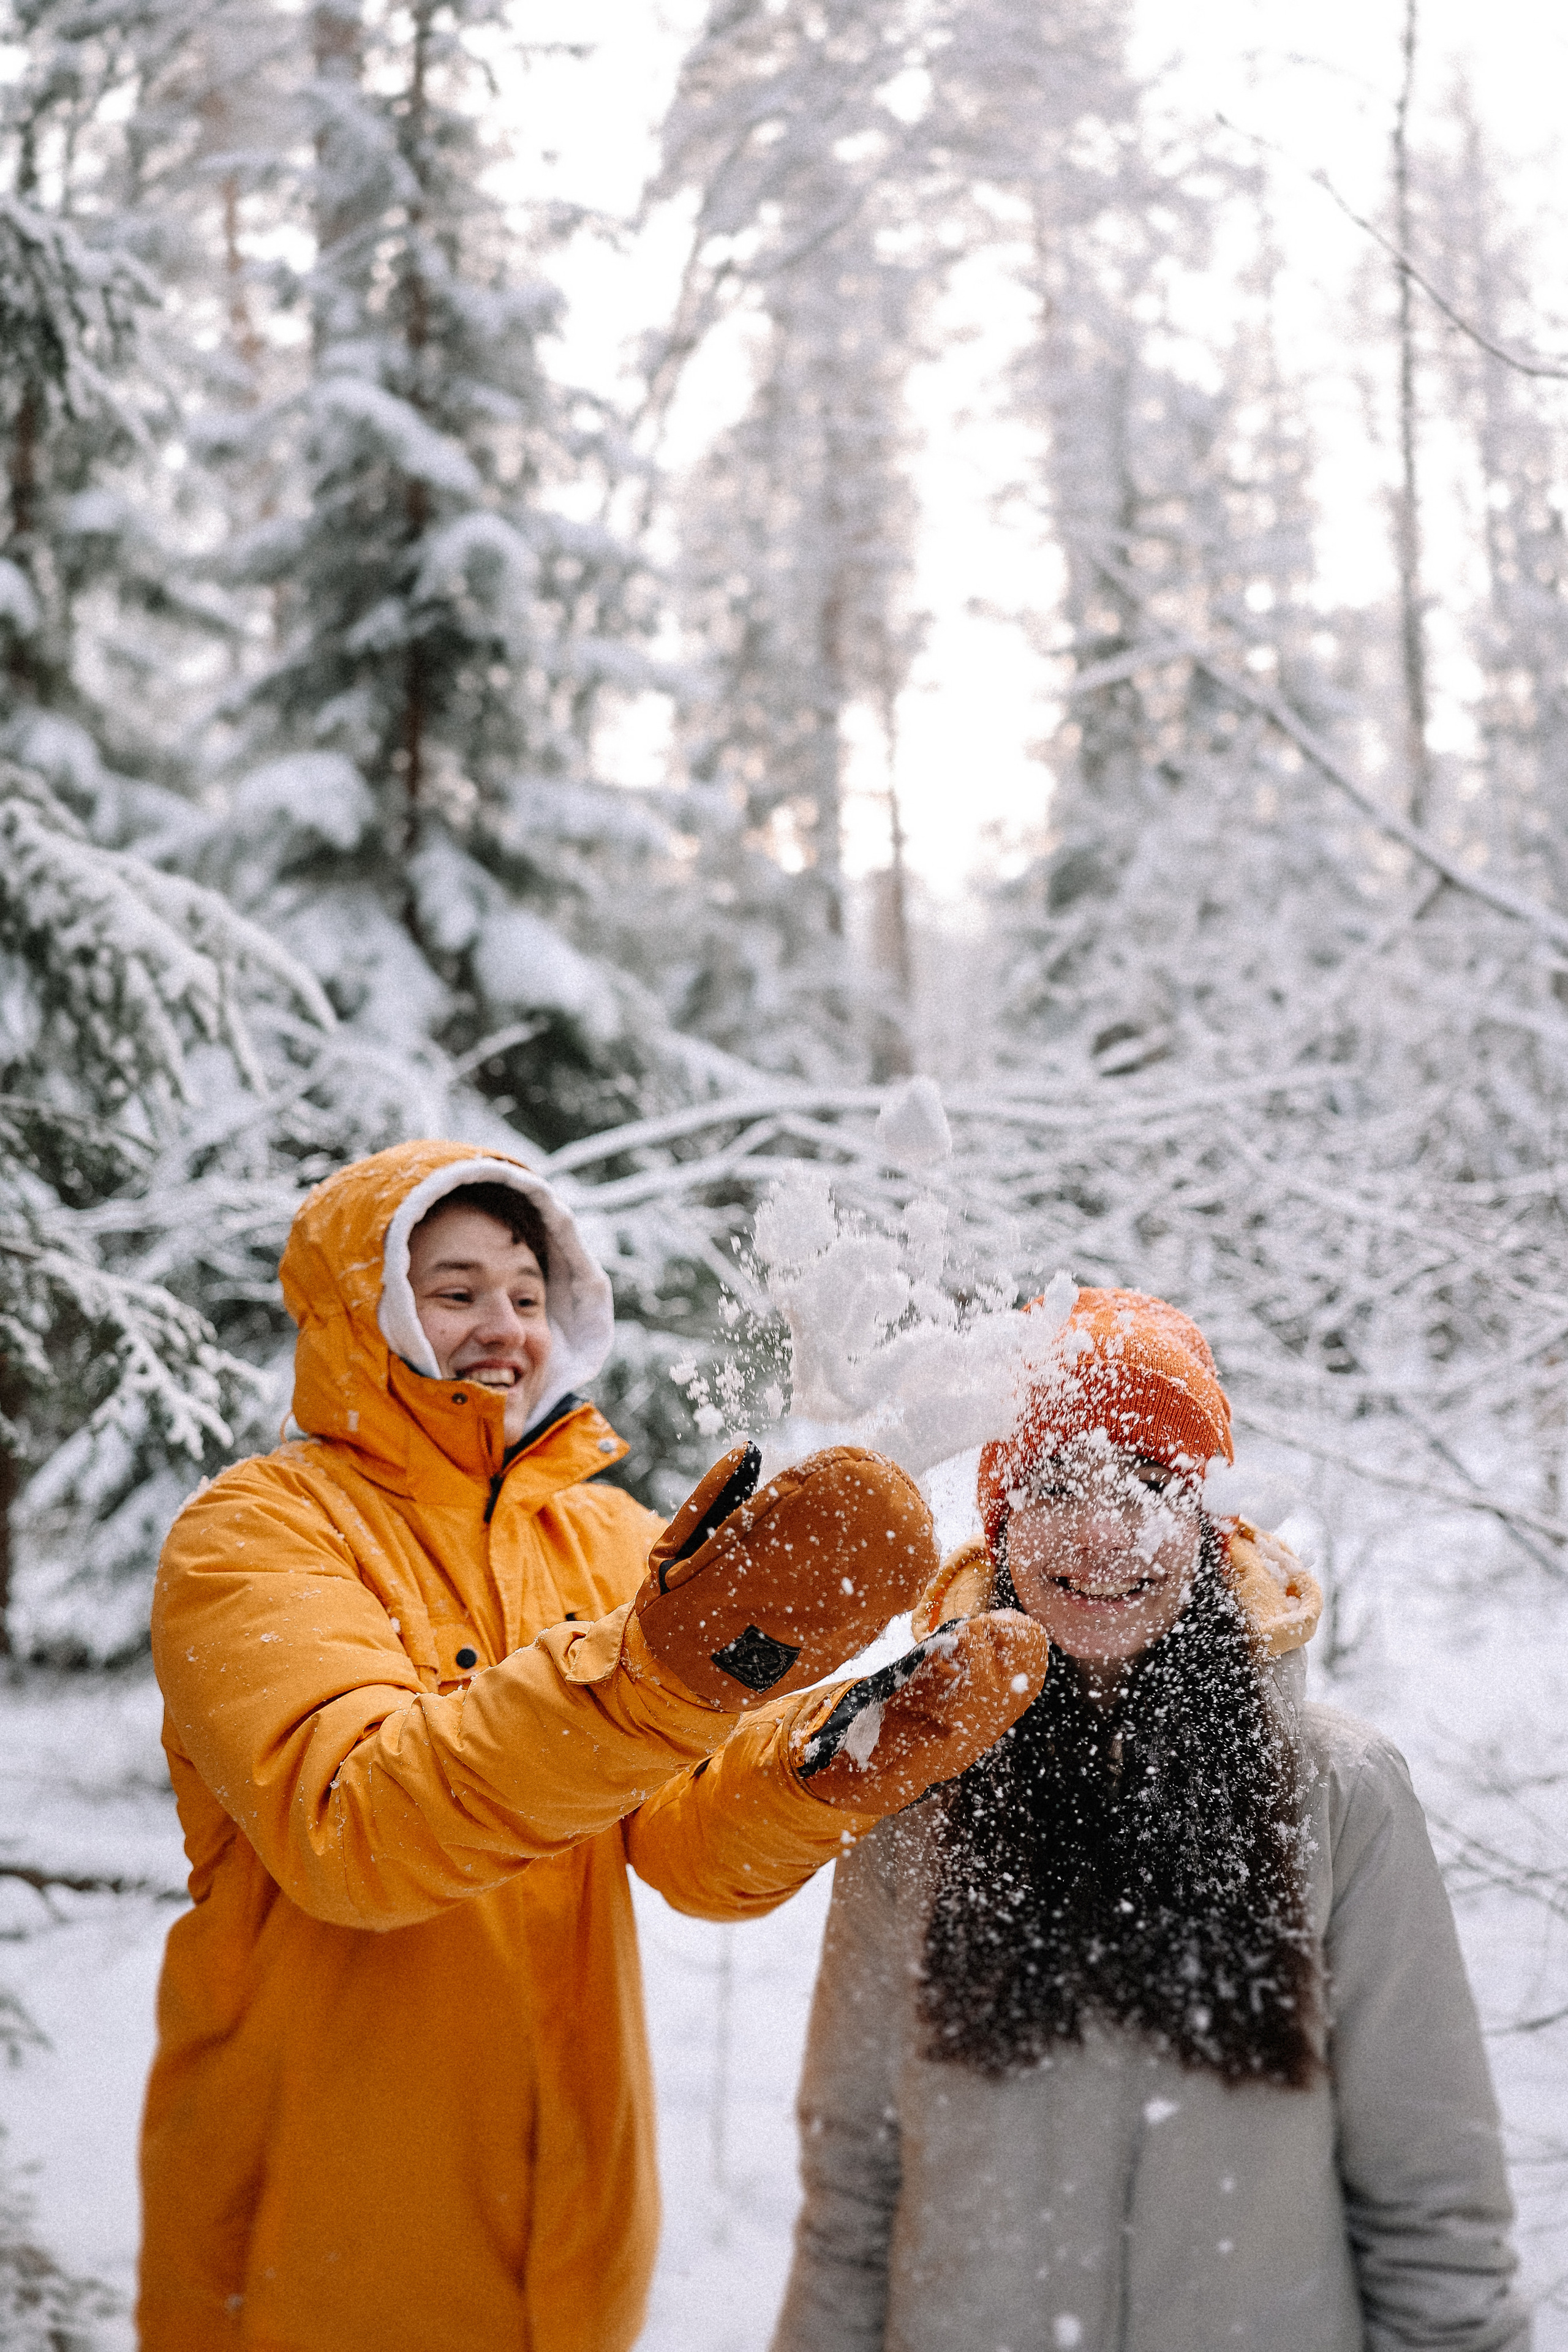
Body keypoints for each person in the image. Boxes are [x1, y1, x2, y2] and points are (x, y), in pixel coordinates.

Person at [138, 1138, 1049, 2352]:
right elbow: (352, 1830)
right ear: (362, 1310)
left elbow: (681, 1843)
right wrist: (653, 1675)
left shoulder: (606, 1538)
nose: (500, 1325)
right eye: (453, 1291)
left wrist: (838, 1753)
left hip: (570, 2242)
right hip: (317, 2254)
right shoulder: (256, 1534)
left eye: (526, 1294)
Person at [772, 1287, 1529, 2352]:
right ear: (998, 1522)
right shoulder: (915, 1787)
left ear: (1213, 1517)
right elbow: (853, 2178)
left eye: (1150, 1482)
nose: (1100, 1532)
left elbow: (1431, 2193)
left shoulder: (1340, 1795)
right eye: (1053, 1485)